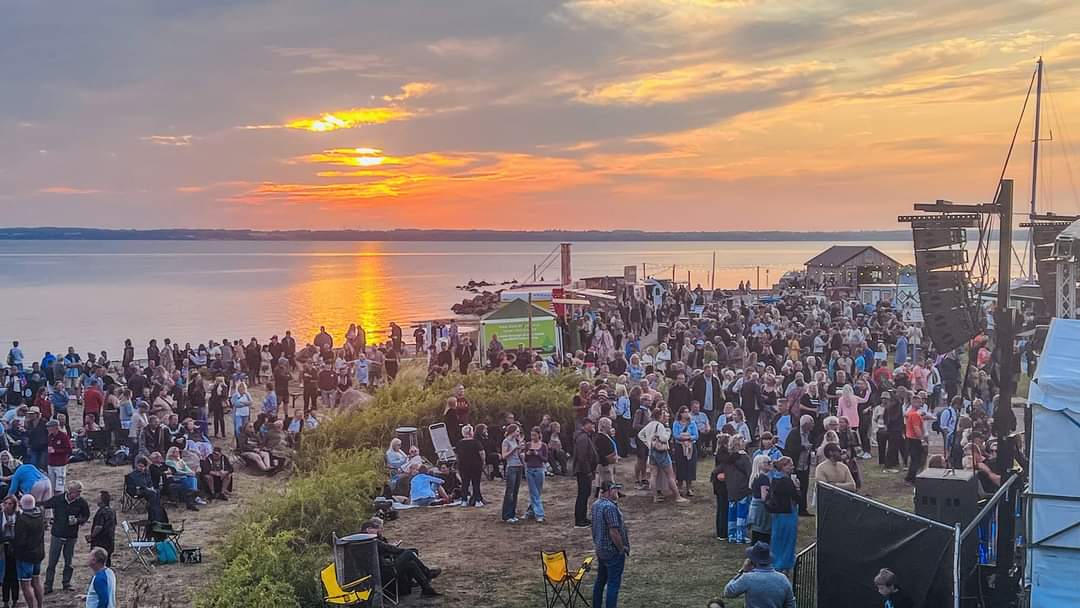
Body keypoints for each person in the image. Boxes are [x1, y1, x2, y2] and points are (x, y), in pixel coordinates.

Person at [359, 519, 441, 598]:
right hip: (385, 572)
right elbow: (390, 549)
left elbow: (386, 550)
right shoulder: (372, 541)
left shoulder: (361, 542)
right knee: (409, 553)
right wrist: (405, 551)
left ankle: (426, 589)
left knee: (410, 564)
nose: (377, 531)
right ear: (368, 529)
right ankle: (427, 573)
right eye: (375, 529)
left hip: (377, 573)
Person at [42, 480, 90, 593]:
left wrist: (78, 520)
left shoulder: (81, 502)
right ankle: (48, 585)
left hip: (71, 535)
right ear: (70, 491)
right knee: (52, 562)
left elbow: (86, 515)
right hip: (57, 534)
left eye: (80, 492)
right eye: (77, 492)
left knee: (69, 561)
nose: (79, 494)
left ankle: (66, 583)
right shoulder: (58, 499)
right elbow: (46, 504)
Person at [722, 541, 795, 608]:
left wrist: (742, 571)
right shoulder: (783, 579)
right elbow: (791, 604)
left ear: (752, 561)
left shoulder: (748, 578)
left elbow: (728, 592)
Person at [591, 481, 628, 608]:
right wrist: (621, 549)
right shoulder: (610, 507)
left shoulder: (596, 504)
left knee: (600, 581)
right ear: (609, 491)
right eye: (615, 489)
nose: (617, 492)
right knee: (613, 585)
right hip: (612, 551)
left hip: (600, 549)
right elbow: (614, 532)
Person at [767, 458, 799, 572]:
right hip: (788, 513)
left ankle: (775, 561)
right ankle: (785, 563)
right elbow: (796, 497)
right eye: (790, 465)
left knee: (777, 538)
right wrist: (797, 487)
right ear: (784, 467)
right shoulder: (787, 481)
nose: (793, 467)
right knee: (788, 539)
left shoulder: (774, 478)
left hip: (777, 514)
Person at [12, 494, 45, 608]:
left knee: (25, 584)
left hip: (25, 556)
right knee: (36, 580)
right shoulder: (40, 514)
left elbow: (19, 540)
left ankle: (31, 606)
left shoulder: (23, 519)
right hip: (38, 553)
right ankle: (40, 605)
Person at [782, 415, 815, 516]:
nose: (812, 427)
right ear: (805, 425)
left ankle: (803, 509)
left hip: (805, 465)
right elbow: (789, 449)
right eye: (811, 425)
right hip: (795, 466)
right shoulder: (794, 433)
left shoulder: (809, 434)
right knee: (793, 487)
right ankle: (791, 507)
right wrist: (803, 447)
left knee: (804, 487)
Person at [722, 435, 753, 544]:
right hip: (743, 489)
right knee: (742, 513)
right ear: (739, 444)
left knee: (732, 513)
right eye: (743, 440)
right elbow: (750, 474)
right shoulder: (744, 458)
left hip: (731, 489)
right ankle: (741, 536)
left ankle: (731, 535)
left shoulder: (728, 458)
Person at [573, 418, 599, 527]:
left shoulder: (586, 436)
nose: (593, 426)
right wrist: (588, 471)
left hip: (585, 470)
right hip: (583, 471)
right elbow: (582, 456)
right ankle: (579, 520)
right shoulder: (582, 437)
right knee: (583, 495)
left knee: (585, 494)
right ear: (585, 425)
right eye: (591, 424)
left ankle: (583, 517)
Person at [672, 407, 699, 497]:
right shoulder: (676, 423)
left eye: (687, 412)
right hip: (680, 446)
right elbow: (675, 434)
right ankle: (679, 487)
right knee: (680, 465)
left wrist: (688, 438)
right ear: (680, 414)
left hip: (690, 447)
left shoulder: (692, 423)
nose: (687, 414)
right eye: (684, 412)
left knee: (690, 466)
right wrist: (682, 437)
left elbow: (696, 435)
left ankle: (689, 488)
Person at [523, 427, 549, 522]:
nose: (532, 437)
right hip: (529, 469)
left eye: (534, 435)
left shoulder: (543, 446)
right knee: (533, 492)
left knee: (537, 492)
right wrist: (528, 453)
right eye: (531, 435)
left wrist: (537, 454)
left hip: (539, 469)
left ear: (539, 435)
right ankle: (539, 514)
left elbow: (546, 459)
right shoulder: (528, 444)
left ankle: (530, 512)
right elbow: (525, 459)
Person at [747, 454, 773, 544]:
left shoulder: (755, 477)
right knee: (763, 535)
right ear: (761, 464)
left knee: (756, 534)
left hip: (755, 508)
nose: (770, 464)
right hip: (762, 510)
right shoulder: (764, 478)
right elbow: (764, 497)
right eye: (768, 462)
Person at [456, 425, 485, 507]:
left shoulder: (459, 443)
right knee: (476, 483)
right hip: (476, 465)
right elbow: (482, 453)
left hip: (463, 466)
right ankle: (477, 500)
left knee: (465, 483)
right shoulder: (476, 442)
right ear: (471, 432)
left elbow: (457, 455)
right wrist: (483, 462)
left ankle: (464, 500)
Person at [87, 492, 116, 567]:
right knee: (107, 562)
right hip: (109, 541)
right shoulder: (112, 511)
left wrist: (91, 536)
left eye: (98, 498)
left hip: (100, 542)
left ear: (102, 500)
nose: (96, 499)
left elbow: (99, 527)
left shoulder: (102, 512)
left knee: (99, 563)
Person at [45, 420, 71, 494]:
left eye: (49, 427)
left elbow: (68, 449)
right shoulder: (50, 436)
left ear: (55, 427)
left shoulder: (63, 436)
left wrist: (56, 451)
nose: (48, 429)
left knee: (60, 483)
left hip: (60, 464)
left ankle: (60, 497)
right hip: (51, 463)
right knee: (51, 484)